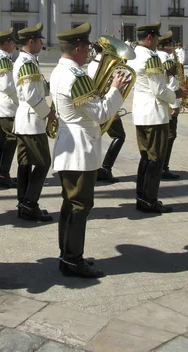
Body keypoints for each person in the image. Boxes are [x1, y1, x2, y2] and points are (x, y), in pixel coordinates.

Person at [50, 22, 129, 278]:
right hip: (80, 149)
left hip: (68, 144)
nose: (90, 52)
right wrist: (116, 89)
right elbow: (102, 112)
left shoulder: (59, 71)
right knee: (79, 206)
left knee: (70, 204)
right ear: (79, 48)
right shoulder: (77, 77)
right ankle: (73, 260)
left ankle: (67, 255)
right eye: (87, 47)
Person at [127, 22, 185, 213]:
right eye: (157, 37)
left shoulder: (133, 55)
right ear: (150, 37)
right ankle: (149, 200)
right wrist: (176, 95)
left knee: (146, 158)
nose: (159, 41)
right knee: (156, 159)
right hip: (154, 114)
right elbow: (159, 89)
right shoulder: (151, 58)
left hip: (141, 113)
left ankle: (141, 197)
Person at [13, 22, 55, 222]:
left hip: (26, 120)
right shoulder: (28, 63)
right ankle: (30, 204)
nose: (41, 44)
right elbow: (31, 95)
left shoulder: (29, 61)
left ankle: (24, 204)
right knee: (43, 162)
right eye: (39, 40)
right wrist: (49, 114)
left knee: (26, 163)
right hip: (31, 121)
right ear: (31, 41)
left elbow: (39, 89)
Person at [87, 42, 126, 183]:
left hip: (98, 105)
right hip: (105, 105)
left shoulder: (92, 64)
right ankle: (105, 168)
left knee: (97, 136)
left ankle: (97, 169)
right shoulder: (103, 65)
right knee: (119, 136)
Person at [0, 28, 18, 188]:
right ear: (6, 43)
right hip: (7, 105)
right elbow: (8, 85)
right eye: (12, 41)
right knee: (10, 139)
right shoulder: (3, 60)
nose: (14, 44)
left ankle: (0, 174)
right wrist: (20, 101)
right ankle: (3, 174)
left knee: (0, 140)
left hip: (1, 104)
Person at [157, 31, 181, 180]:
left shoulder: (154, 57)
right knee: (170, 135)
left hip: (160, 104)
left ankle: (160, 167)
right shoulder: (166, 59)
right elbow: (173, 83)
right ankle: (163, 168)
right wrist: (175, 104)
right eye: (171, 44)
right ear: (167, 46)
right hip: (169, 102)